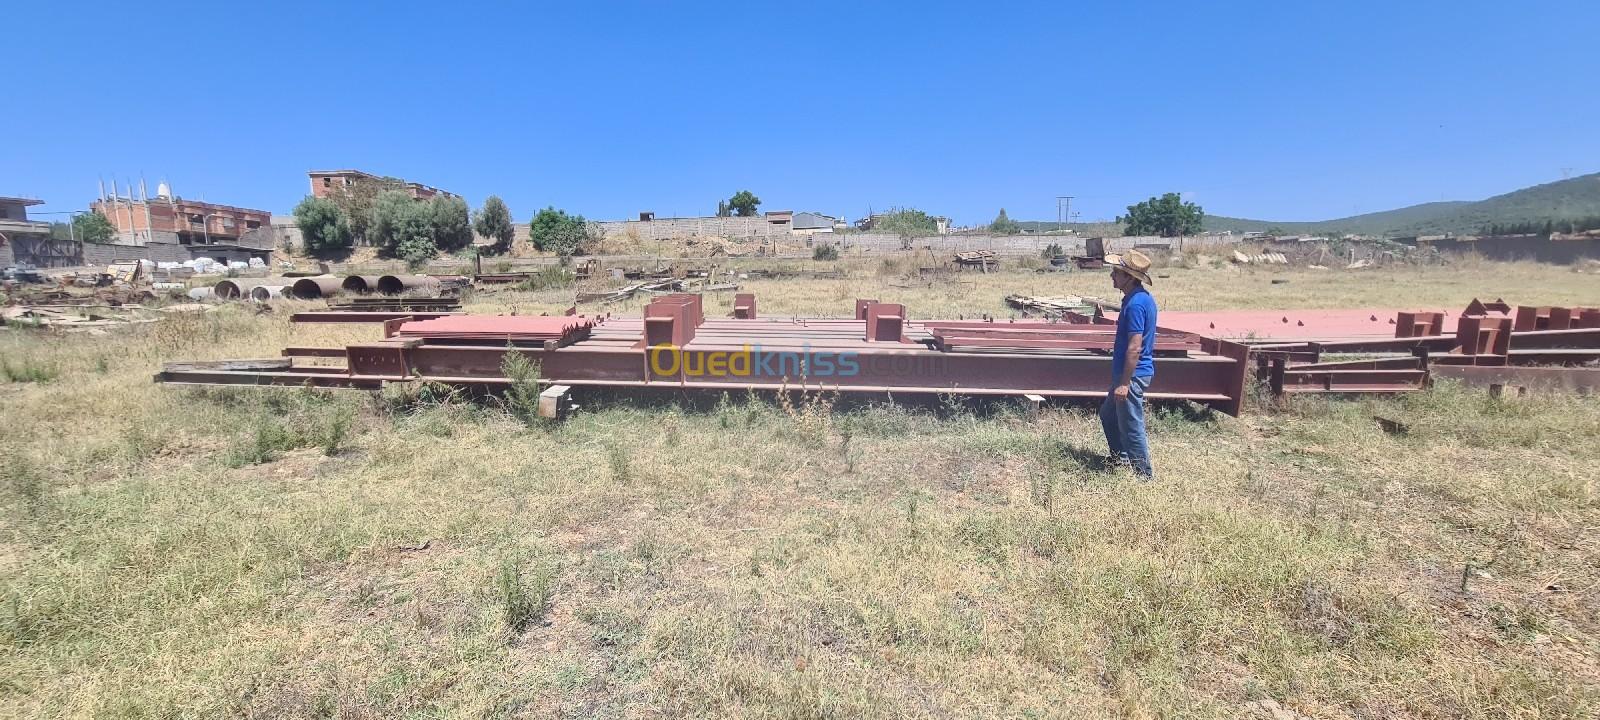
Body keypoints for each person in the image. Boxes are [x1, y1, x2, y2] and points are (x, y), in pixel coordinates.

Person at [1099, 250, 1157, 479]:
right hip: (1127, 374)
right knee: (1108, 415)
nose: (1112, 276)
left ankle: (1144, 477)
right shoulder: (1137, 299)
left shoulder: (1135, 305)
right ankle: (1120, 458)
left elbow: (1135, 347)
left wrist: (1124, 383)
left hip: (1131, 376)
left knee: (1131, 425)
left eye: (1116, 272)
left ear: (1130, 277)